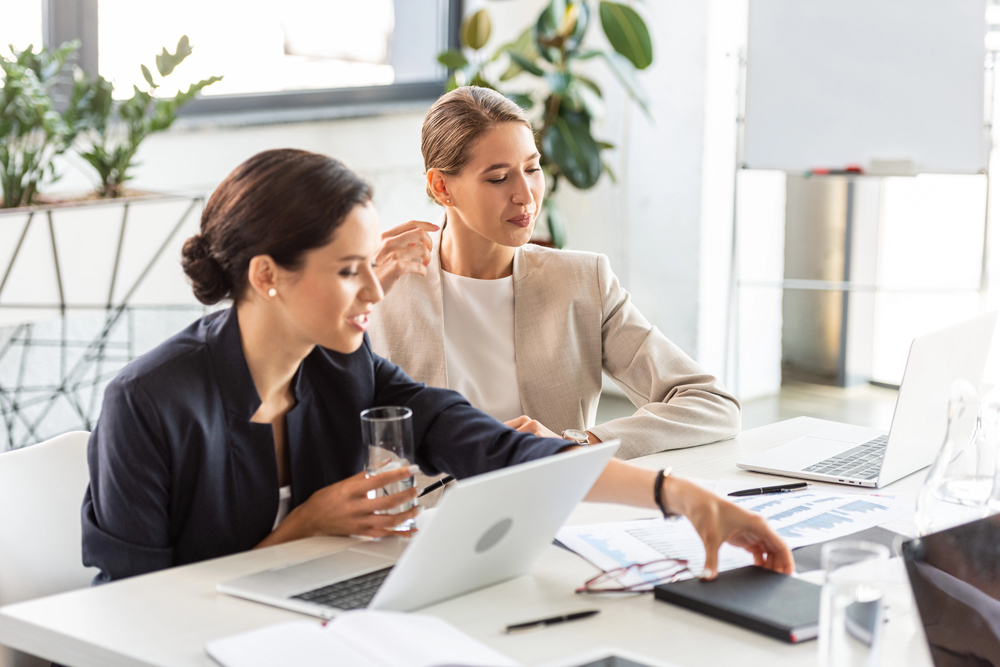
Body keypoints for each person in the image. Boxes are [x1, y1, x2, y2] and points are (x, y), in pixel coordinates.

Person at [81, 148, 791, 586]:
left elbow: (500, 448)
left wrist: (679, 495)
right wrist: (301, 528)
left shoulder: (343, 366)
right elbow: (129, 604)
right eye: (350, 270)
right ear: (268, 275)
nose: (377, 288)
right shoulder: (148, 401)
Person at [369, 86, 739, 468]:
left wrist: (580, 444)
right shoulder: (383, 288)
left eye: (532, 169)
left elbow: (711, 404)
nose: (526, 196)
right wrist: (357, 297)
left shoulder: (581, 282)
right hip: (423, 523)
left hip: (549, 512)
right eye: (498, 178)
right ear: (442, 187)